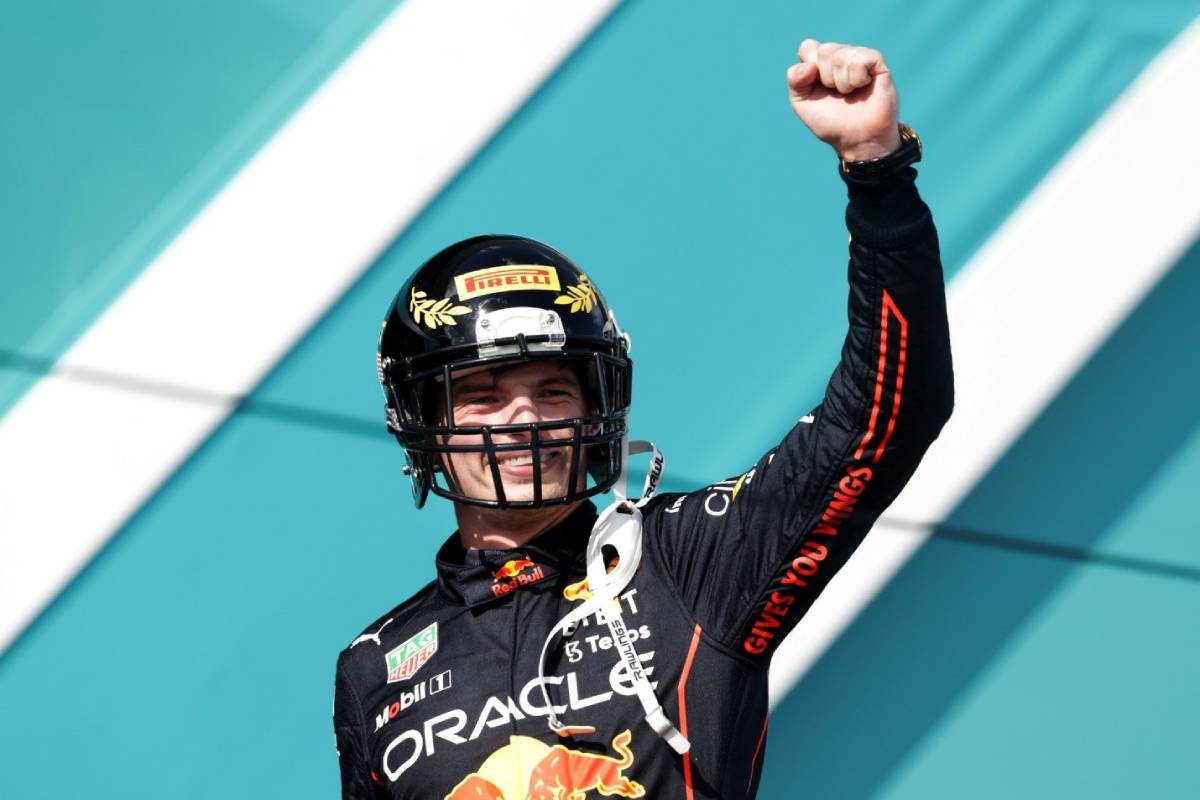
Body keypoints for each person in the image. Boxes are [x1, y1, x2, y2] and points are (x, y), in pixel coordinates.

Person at [333, 38, 953, 799]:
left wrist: (877, 169)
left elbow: (888, 414)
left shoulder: (686, 561)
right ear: (422, 422)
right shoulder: (373, 667)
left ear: (598, 405)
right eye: (485, 395)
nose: (524, 416)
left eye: (553, 390)